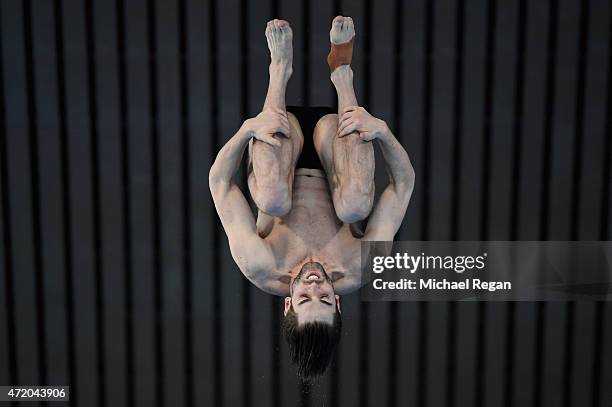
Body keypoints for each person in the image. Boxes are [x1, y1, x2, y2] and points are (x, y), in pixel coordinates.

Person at [209, 16, 415, 382]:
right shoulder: (359, 266)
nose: (315, 285)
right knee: (354, 204)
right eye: (324, 298)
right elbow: (402, 185)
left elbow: (221, 184)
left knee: (272, 199)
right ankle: (342, 72)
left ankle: (279, 69)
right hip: (335, 144)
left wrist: (247, 130)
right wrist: (381, 132)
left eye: (305, 298)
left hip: (281, 146)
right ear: (338, 303)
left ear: (287, 303)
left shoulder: (259, 264)